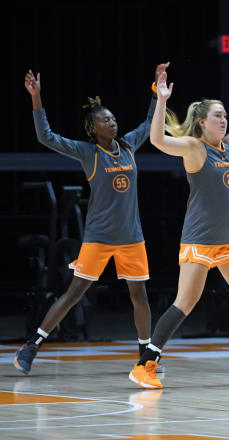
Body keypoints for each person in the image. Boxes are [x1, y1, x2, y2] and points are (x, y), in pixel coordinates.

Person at [128, 72, 229, 389]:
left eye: (226, 115)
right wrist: (161, 101)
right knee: (185, 303)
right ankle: (144, 365)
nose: (224, 120)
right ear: (202, 122)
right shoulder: (194, 148)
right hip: (199, 241)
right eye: (218, 115)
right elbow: (159, 140)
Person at [14, 63, 169, 374]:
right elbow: (46, 137)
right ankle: (31, 346)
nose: (111, 123)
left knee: (139, 295)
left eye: (112, 118)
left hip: (131, 237)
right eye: (104, 120)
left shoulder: (128, 145)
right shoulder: (88, 153)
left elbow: (151, 120)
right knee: (74, 293)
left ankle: (145, 354)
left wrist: (156, 89)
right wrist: (36, 98)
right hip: (98, 237)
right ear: (93, 129)